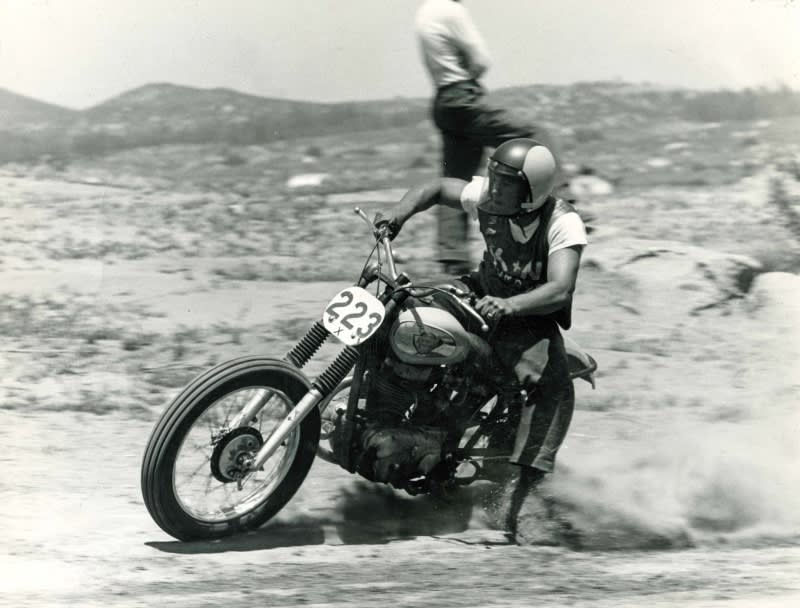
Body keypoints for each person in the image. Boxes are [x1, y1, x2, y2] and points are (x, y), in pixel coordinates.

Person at [378, 138, 587, 541]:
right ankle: (391, 407)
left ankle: (526, 494)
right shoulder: (488, 197)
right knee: (409, 314)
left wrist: (513, 306)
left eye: (506, 182)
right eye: (493, 176)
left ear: (531, 192)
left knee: (549, 388)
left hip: (527, 320)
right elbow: (437, 188)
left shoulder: (562, 223)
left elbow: (561, 289)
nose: (494, 186)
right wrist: (398, 215)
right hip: (478, 292)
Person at [414, 0, 565, 276]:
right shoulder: (451, 10)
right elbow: (481, 60)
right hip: (463, 96)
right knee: (535, 137)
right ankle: (565, 213)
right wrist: (468, 77)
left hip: (443, 103)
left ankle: (452, 256)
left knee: (456, 179)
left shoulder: (425, 11)